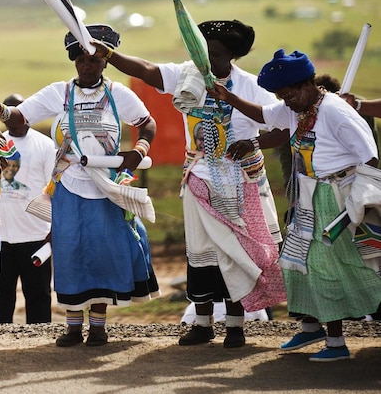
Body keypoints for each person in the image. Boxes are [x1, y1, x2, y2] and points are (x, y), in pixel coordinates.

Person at [88, 19, 287, 348]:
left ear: (231, 56)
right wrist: (109, 55)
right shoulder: (187, 75)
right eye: (202, 48)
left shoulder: (251, 87)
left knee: (235, 255)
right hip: (198, 178)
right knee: (201, 254)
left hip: (240, 182)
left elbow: (282, 126)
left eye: (215, 52)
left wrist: (253, 144)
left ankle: (236, 327)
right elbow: (147, 70)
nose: (206, 56)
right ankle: (203, 323)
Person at [0, 24, 159, 347]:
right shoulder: (60, 93)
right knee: (70, 254)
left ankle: (98, 327)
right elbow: (20, 117)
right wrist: (2, 112)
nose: (86, 66)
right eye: (80, 60)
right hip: (68, 189)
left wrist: (139, 151)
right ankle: (73, 326)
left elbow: (147, 122)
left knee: (101, 254)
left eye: (93, 60)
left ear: (105, 62)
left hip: (105, 189)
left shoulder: (118, 95)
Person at [209, 49, 381, 361]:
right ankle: (311, 326)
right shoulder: (296, 107)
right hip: (307, 193)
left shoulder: (335, 112)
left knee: (322, 267)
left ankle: (337, 344)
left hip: (336, 196)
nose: (285, 102)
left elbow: (369, 155)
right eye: (281, 96)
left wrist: (362, 198)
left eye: (287, 95)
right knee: (295, 260)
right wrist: (228, 97)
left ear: (306, 86)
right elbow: (264, 115)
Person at [0, 93, 56, 324]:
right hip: (1, 237)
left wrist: (53, 230)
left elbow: (54, 189)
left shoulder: (45, 145)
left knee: (38, 297)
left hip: (36, 235)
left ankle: (39, 347)